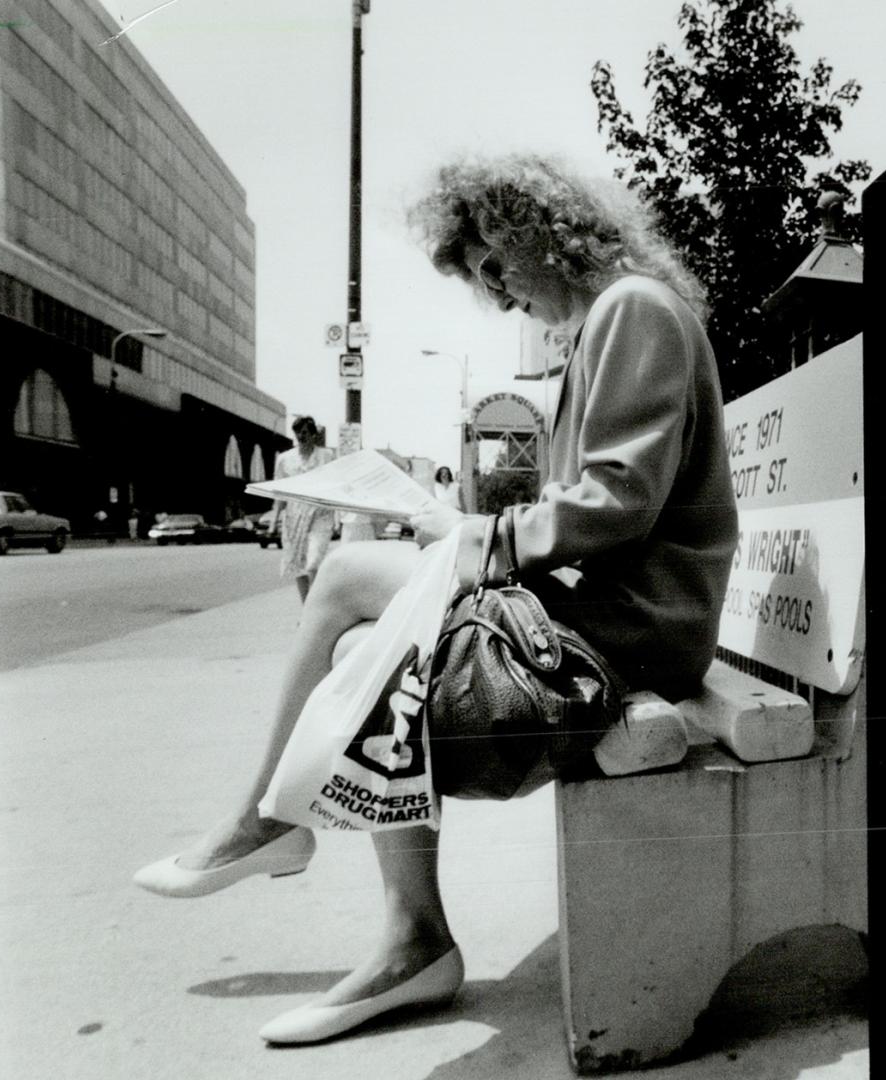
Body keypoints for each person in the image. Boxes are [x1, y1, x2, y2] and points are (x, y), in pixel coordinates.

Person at [131, 153, 738, 1044]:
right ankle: (375, 907)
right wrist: (462, 533)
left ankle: (290, 842)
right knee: (353, 620)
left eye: (495, 266)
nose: (496, 296)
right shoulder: (609, 323)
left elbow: (619, 502)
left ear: (538, 234)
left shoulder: (633, 311)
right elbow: (603, 507)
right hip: (608, 615)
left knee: (354, 606)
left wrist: (481, 543)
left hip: (631, 632)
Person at [271, 417, 338, 601]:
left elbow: (335, 487)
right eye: (298, 432)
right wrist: (273, 521)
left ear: (314, 435)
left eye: (306, 432)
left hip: (320, 513)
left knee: (313, 562)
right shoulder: (284, 459)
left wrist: (337, 516)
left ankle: (314, 605)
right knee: (297, 565)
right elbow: (280, 492)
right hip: (294, 515)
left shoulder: (327, 456)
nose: (302, 436)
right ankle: (307, 608)